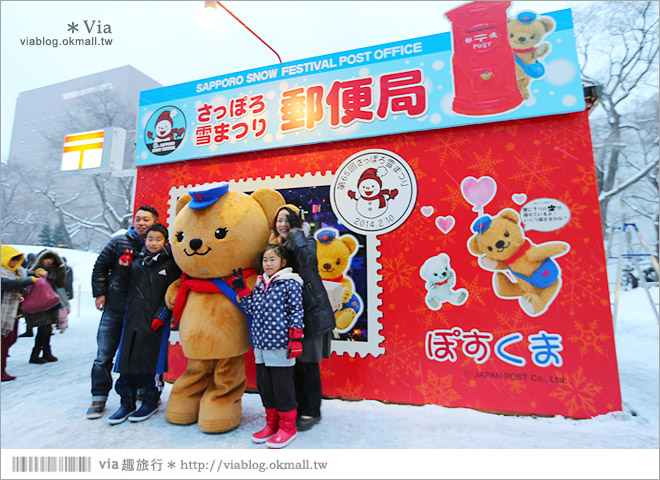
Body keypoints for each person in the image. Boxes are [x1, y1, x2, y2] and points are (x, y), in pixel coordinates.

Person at [87, 205, 159, 420]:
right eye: (138, 218)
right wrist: (100, 293)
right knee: (104, 354)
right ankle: (98, 396)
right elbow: (100, 267)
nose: (141, 223)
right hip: (115, 308)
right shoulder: (119, 242)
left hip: (140, 312)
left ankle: (140, 392)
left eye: (146, 219)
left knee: (136, 354)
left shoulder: (156, 246)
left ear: (155, 222)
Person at [269, 204, 336, 431]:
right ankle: (295, 408)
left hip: (310, 313)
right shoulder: (275, 246)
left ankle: (311, 411)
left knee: (307, 364)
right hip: (287, 316)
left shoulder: (307, 241)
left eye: (289, 219)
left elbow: (306, 262)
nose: (283, 224)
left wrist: (298, 232)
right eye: (280, 220)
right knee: (293, 365)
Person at [232, 244, 304, 448]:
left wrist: (296, 337)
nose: (268, 263)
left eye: (272, 259)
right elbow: (252, 310)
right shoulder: (260, 283)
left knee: (282, 387)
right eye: (265, 260)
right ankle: (271, 424)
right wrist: (243, 290)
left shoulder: (291, 283)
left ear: (283, 262)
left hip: (281, 344)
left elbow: (296, 311)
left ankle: (288, 428)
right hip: (261, 344)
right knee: (266, 387)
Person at [109, 224, 181, 425]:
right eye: (150, 239)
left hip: (156, 321)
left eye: (158, 239)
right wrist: (123, 268)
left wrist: (163, 314)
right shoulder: (136, 263)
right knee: (127, 361)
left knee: (152, 364)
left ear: (165, 242)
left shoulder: (171, 265)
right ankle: (126, 402)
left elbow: (173, 292)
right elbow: (123, 288)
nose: (153, 243)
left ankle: (151, 400)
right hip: (132, 319)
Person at [1, 246, 44, 381]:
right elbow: (8, 284)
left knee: (11, 339)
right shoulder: (2, 273)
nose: (14, 263)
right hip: (3, 312)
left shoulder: (17, 271)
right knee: (4, 341)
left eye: (16, 260)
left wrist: (36, 273)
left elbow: (26, 274)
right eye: (12, 260)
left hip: (14, 311)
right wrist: (30, 280)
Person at [23, 250, 67, 364]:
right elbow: (27, 278)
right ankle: (36, 354)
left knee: (48, 328)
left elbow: (60, 284)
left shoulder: (57, 270)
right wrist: (38, 273)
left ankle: (46, 352)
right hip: (39, 302)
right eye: (47, 258)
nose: (49, 261)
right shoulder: (36, 270)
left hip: (51, 301)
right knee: (42, 328)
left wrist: (62, 270)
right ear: (41, 259)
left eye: (52, 259)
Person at [18, 253, 38, 338]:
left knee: (24, 312)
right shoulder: (24, 269)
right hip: (25, 293)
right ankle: (29, 329)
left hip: (22, 294)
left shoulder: (20, 270)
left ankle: (29, 330)